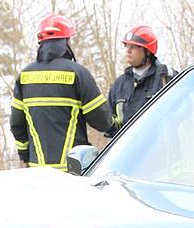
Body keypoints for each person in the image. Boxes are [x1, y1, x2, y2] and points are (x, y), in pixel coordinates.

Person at [10, 14, 112, 171]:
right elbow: (101, 120)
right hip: (72, 170)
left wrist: (25, 156)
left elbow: (17, 124)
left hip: (38, 171)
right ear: (66, 43)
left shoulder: (24, 77)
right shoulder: (78, 73)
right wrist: (115, 125)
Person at [106, 25, 173, 135]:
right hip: (128, 149)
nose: (128, 50)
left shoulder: (164, 78)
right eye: (126, 46)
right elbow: (110, 120)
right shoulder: (119, 85)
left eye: (133, 47)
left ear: (147, 51)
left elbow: (182, 111)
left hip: (160, 148)